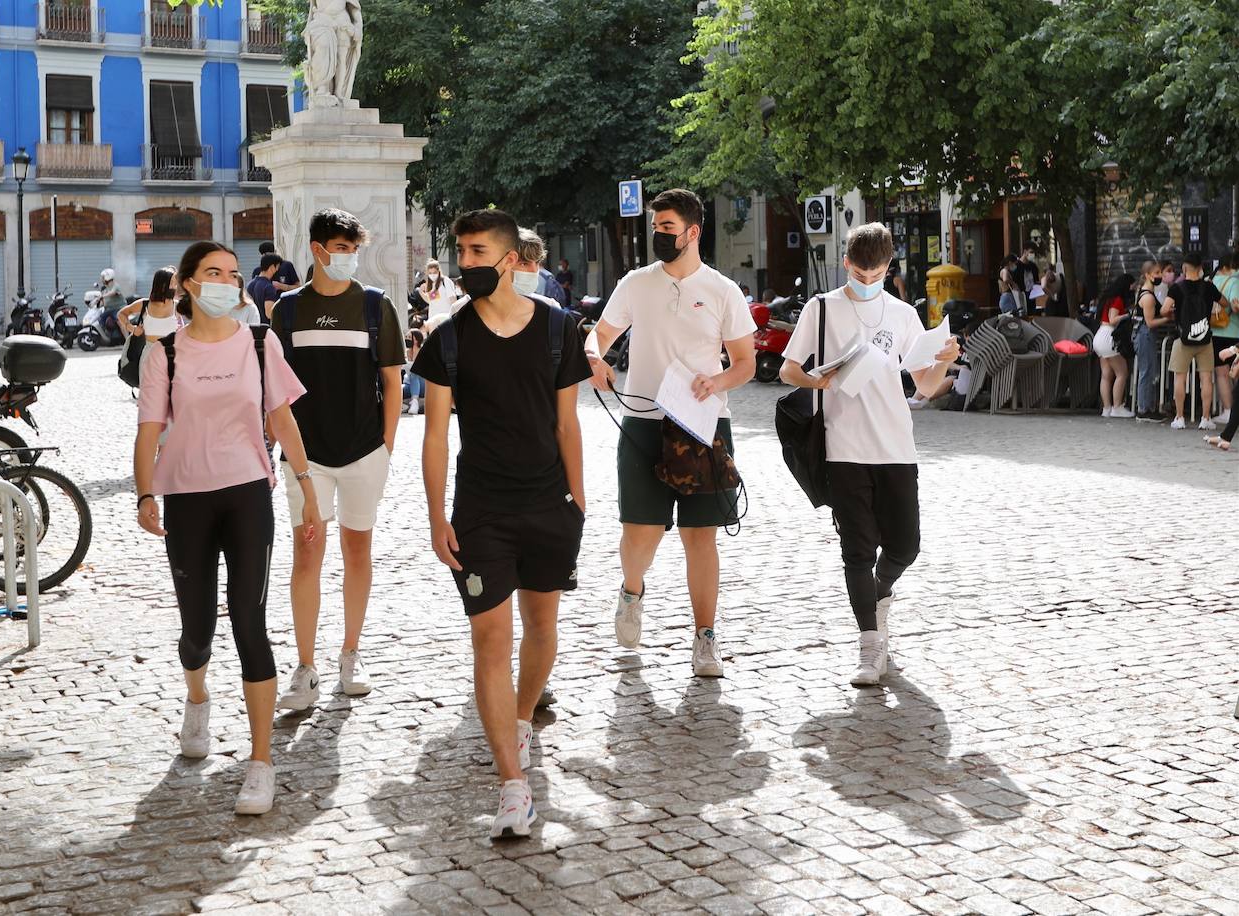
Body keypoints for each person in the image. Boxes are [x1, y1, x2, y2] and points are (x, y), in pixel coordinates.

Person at [410, 210, 590, 838]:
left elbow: (568, 423)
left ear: (512, 259)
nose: (467, 263)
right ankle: (513, 786)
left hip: (549, 508)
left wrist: (580, 503)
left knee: (542, 626)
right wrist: (436, 517)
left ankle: (517, 716)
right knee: (491, 641)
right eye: (461, 252)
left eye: (478, 252)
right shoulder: (447, 339)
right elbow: (434, 438)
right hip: (481, 512)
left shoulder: (558, 330)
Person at [134, 241, 319, 816]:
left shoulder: (260, 342)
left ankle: (261, 762)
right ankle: (198, 700)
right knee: (196, 627)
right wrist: (145, 493)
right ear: (188, 284)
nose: (225, 281)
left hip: (246, 493)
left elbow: (280, 417)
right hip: (187, 496)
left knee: (249, 621)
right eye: (212, 272)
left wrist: (307, 487)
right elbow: (149, 429)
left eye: (231, 273)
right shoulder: (162, 352)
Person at [779, 222, 960, 687]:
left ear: (888, 267)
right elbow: (787, 369)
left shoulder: (902, 314)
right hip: (843, 447)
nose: (866, 279)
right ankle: (869, 647)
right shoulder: (821, 310)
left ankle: (878, 594)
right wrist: (816, 379)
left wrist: (944, 357)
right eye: (859, 272)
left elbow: (923, 385)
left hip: (896, 444)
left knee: (906, 545)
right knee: (856, 551)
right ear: (846, 263)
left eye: (875, 272)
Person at [586, 188, 756, 678]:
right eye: (655, 227)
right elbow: (600, 336)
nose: (658, 234)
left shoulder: (723, 290)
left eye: (666, 227)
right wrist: (595, 359)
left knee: (700, 536)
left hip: (703, 426)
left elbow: (744, 363)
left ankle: (705, 637)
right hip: (643, 421)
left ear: (692, 232)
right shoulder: (636, 284)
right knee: (639, 533)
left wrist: (717, 380)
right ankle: (632, 591)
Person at [272, 208, 404, 705]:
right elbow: (276, 391)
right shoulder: (287, 310)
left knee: (357, 551)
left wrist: (386, 447)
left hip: (363, 452)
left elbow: (391, 380)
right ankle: (305, 667)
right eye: (340, 248)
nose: (347, 257)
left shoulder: (374, 305)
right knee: (307, 553)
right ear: (317, 250)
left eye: (354, 249)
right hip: (305, 458)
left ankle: (351, 652)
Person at [1163, 252, 1228, 430]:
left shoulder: (1177, 288)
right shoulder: (1208, 287)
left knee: (1180, 378)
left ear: (1184, 267)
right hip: (1205, 340)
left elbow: (1164, 309)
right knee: (1206, 378)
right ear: (1200, 268)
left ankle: (1179, 417)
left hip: (1182, 339)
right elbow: (1225, 303)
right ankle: (1205, 418)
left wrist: (1174, 311)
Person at [1092, 273, 1135, 418]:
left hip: (1099, 336)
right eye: (1132, 286)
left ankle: (1106, 408)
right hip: (1108, 336)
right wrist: (1127, 315)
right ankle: (1117, 407)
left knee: (1106, 375)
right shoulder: (1117, 300)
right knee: (1122, 373)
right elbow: (1112, 319)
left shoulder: (1108, 299)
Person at [1132, 260, 1169, 421]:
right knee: (1147, 371)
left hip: (1145, 335)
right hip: (1145, 334)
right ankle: (1144, 408)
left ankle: (1148, 407)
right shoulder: (1148, 297)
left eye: (1160, 272)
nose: (1160, 276)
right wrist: (1167, 319)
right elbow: (1150, 322)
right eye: (1157, 273)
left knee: (1149, 370)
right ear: (1148, 275)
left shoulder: (1146, 292)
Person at [118, 267, 181, 353]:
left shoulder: (177, 306)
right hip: (148, 357)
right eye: (171, 283)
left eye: (175, 283)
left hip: (171, 356)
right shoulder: (144, 304)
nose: (174, 287)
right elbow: (121, 314)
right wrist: (132, 328)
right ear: (161, 285)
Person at [1208, 253, 1239, 425]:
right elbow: (1236, 306)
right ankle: (1235, 412)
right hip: (1233, 333)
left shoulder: (1209, 280)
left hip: (1214, 332)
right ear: (1229, 266)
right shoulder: (1234, 282)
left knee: (1221, 374)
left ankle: (1227, 411)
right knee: (1236, 374)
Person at [420, 259, 462, 331]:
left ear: (439, 271)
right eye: (430, 273)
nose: (432, 275)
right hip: (433, 321)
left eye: (434, 272)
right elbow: (431, 301)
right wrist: (421, 292)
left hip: (445, 319)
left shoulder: (445, 281)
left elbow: (453, 300)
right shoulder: (432, 285)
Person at [1010, 244, 1040, 313]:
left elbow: (1036, 280)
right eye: (1031, 252)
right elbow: (1013, 281)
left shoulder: (1033, 266)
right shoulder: (1016, 266)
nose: (1032, 254)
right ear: (1025, 251)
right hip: (1021, 295)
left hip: (1032, 295)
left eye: (1034, 253)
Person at [403, 328, 426, 415]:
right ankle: (404, 405)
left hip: (423, 384)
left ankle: (415, 402)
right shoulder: (406, 352)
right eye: (406, 337)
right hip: (409, 383)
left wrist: (416, 350)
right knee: (399, 389)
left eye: (409, 337)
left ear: (416, 340)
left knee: (414, 371)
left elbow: (421, 369)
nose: (407, 339)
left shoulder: (423, 351)